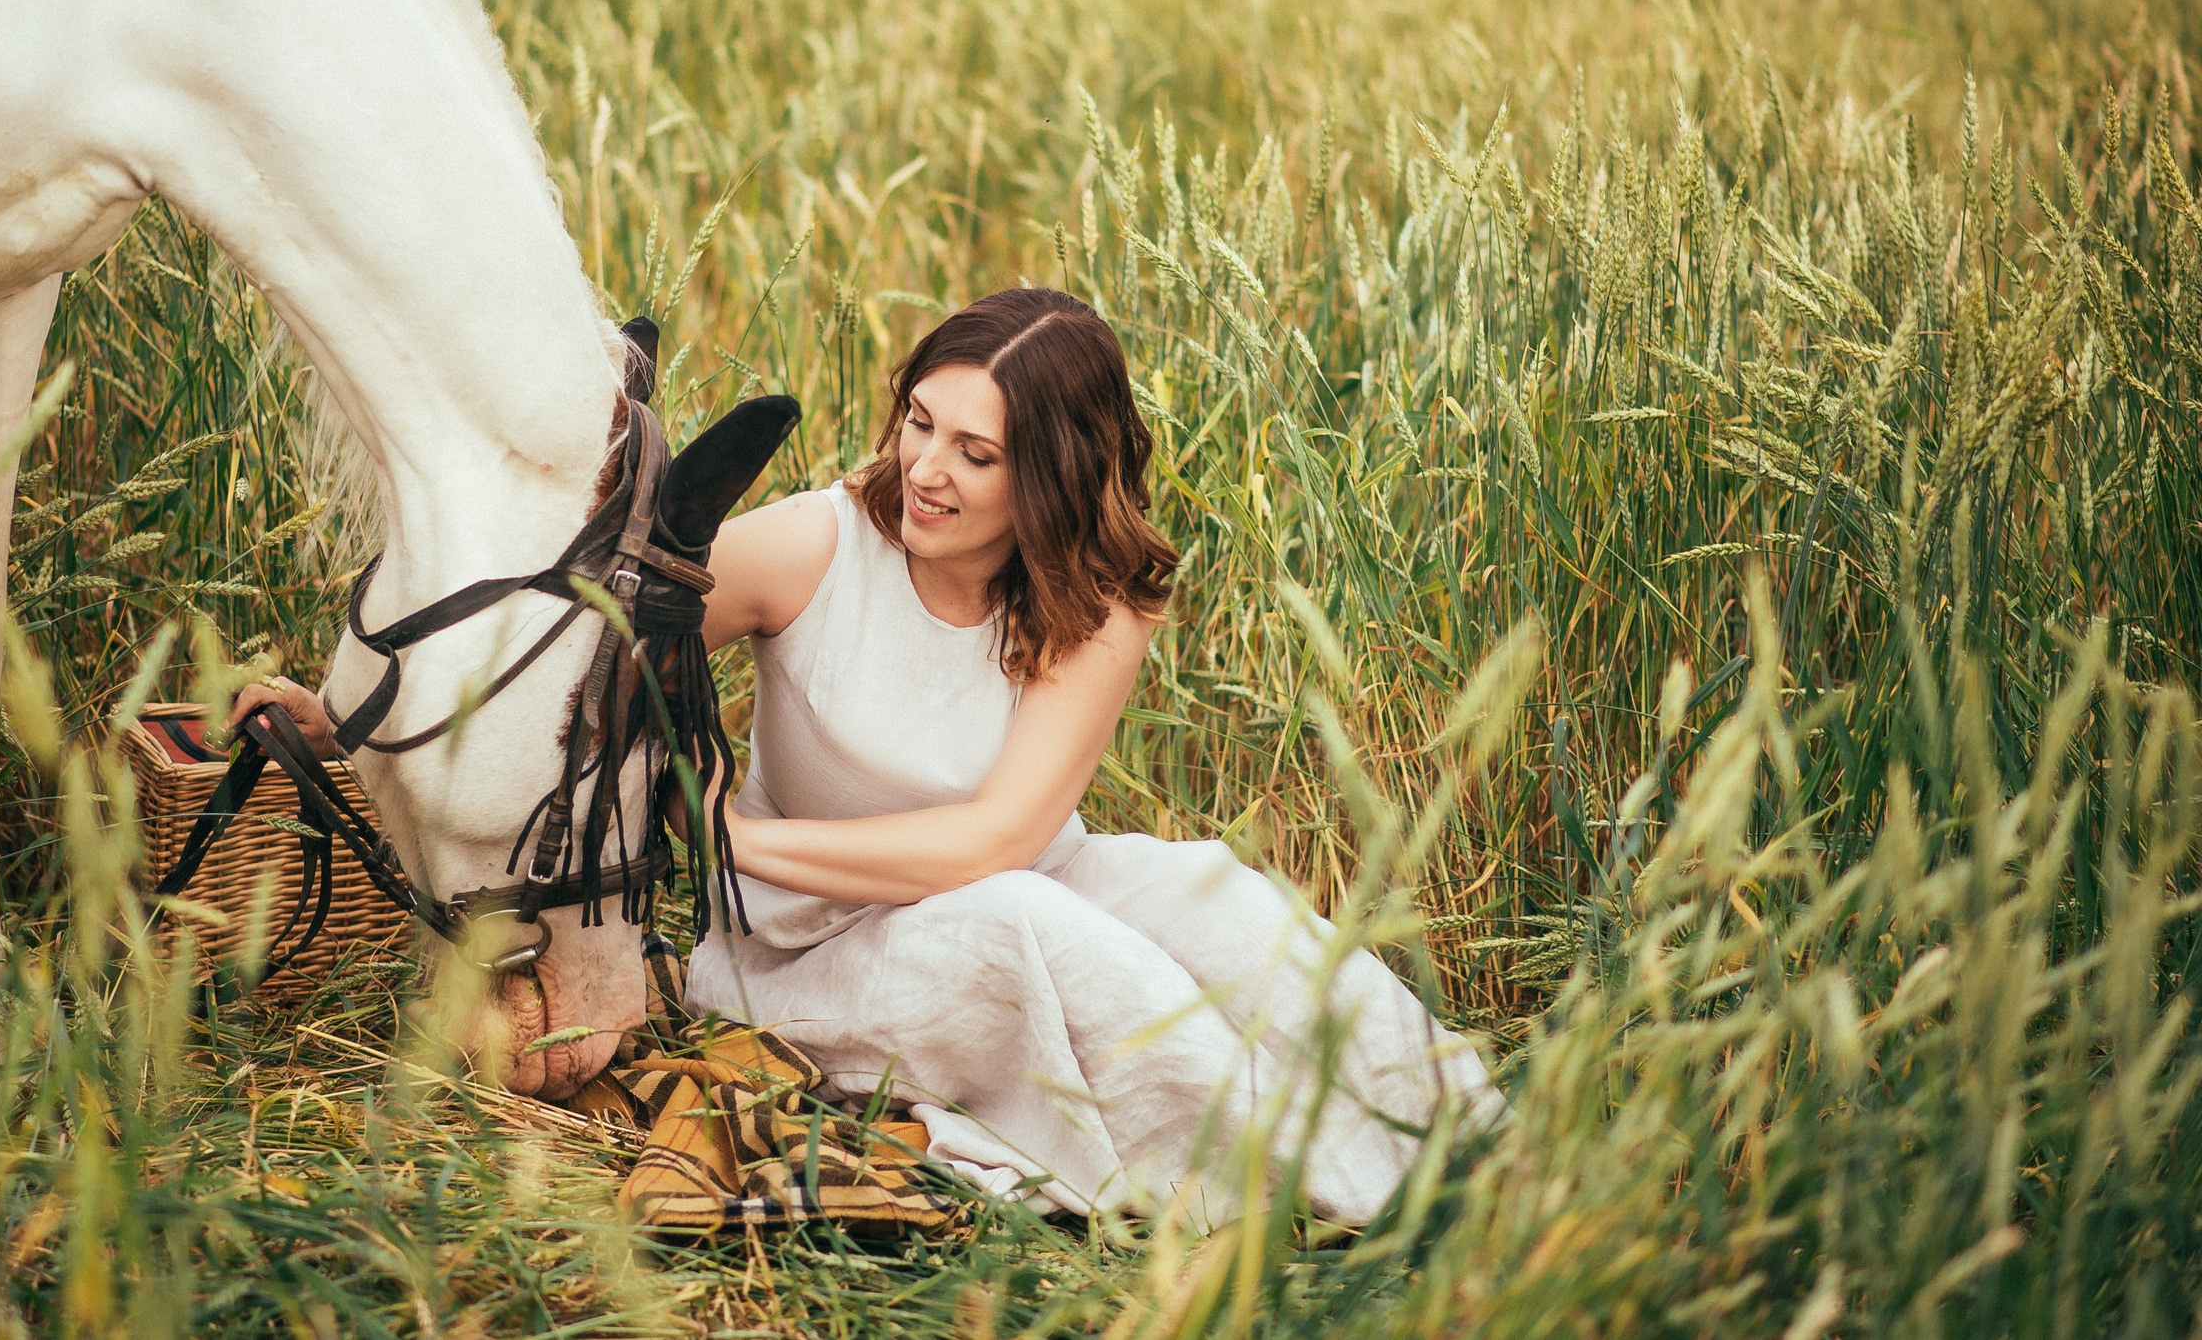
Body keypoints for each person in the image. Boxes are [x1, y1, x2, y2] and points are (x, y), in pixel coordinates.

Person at [240, 287, 1503, 1224]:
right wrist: (348, 719)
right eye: (919, 421)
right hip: (806, 941)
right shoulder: (823, 545)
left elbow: (1001, 836)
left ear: (1053, 478)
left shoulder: (1101, 598)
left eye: (976, 450)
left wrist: (736, 834)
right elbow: (583, 629)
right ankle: (1330, 1190)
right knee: (1022, 928)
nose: (925, 468)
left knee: (1209, 890)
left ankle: (1444, 1125)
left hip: (1012, 871)